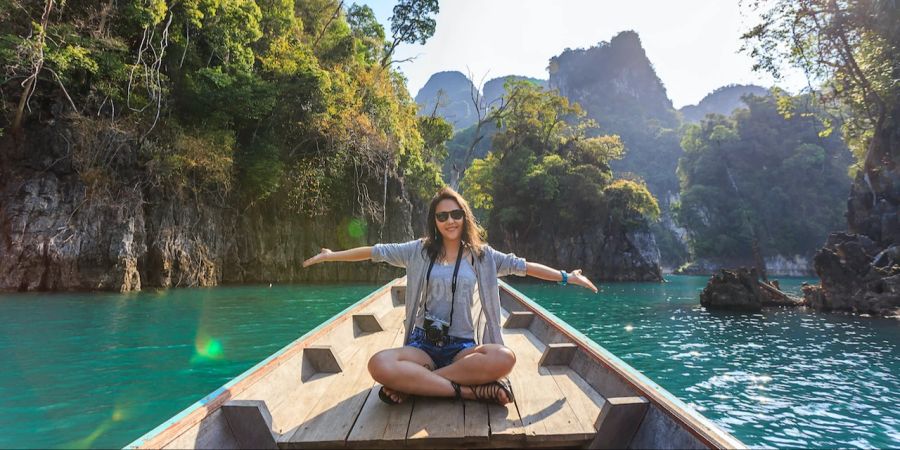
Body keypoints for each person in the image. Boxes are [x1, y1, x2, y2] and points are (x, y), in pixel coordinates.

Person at [302, 186, 598, 406]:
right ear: (435, 220)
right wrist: (331, 256)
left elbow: (524, 267)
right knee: (378, 364)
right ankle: (467, 391)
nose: (450, 220)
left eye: (456, 214)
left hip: (462, 348)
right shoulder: (418, 250)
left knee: (503, 357)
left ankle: (417, 385)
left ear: (464, 216)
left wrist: (566, 277)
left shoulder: (483, 257)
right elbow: (374, 252)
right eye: (442, 216)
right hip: (423, 345)